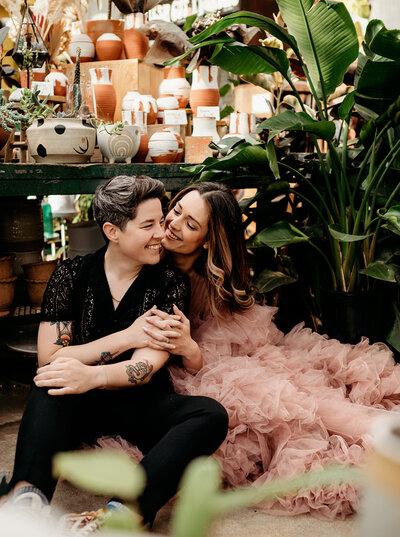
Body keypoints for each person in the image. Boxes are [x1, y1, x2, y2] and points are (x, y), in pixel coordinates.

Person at [132, 182, 400, 520]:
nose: (173, 223)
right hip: (180, 371)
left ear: (209, 240)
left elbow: (221, 357)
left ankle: (388, 439)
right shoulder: (149, 255)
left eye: (190, 224)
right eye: (176, 211)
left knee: (299, 407)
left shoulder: (210, 284)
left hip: (229, 364)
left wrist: (189, 349)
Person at [2, 176, 228, 529]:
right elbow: (50, 359)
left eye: (161, 219)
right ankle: (27, 503)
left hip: (141, 403)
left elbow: (145, 366)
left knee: (210, 415)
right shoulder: (70, 275)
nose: (162, 233)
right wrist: (125, 336)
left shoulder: (169, 282)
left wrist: (92, 373)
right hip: (79, 403)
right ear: (113, 230)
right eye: (149, 225)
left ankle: (122, 514)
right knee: (49, 381)